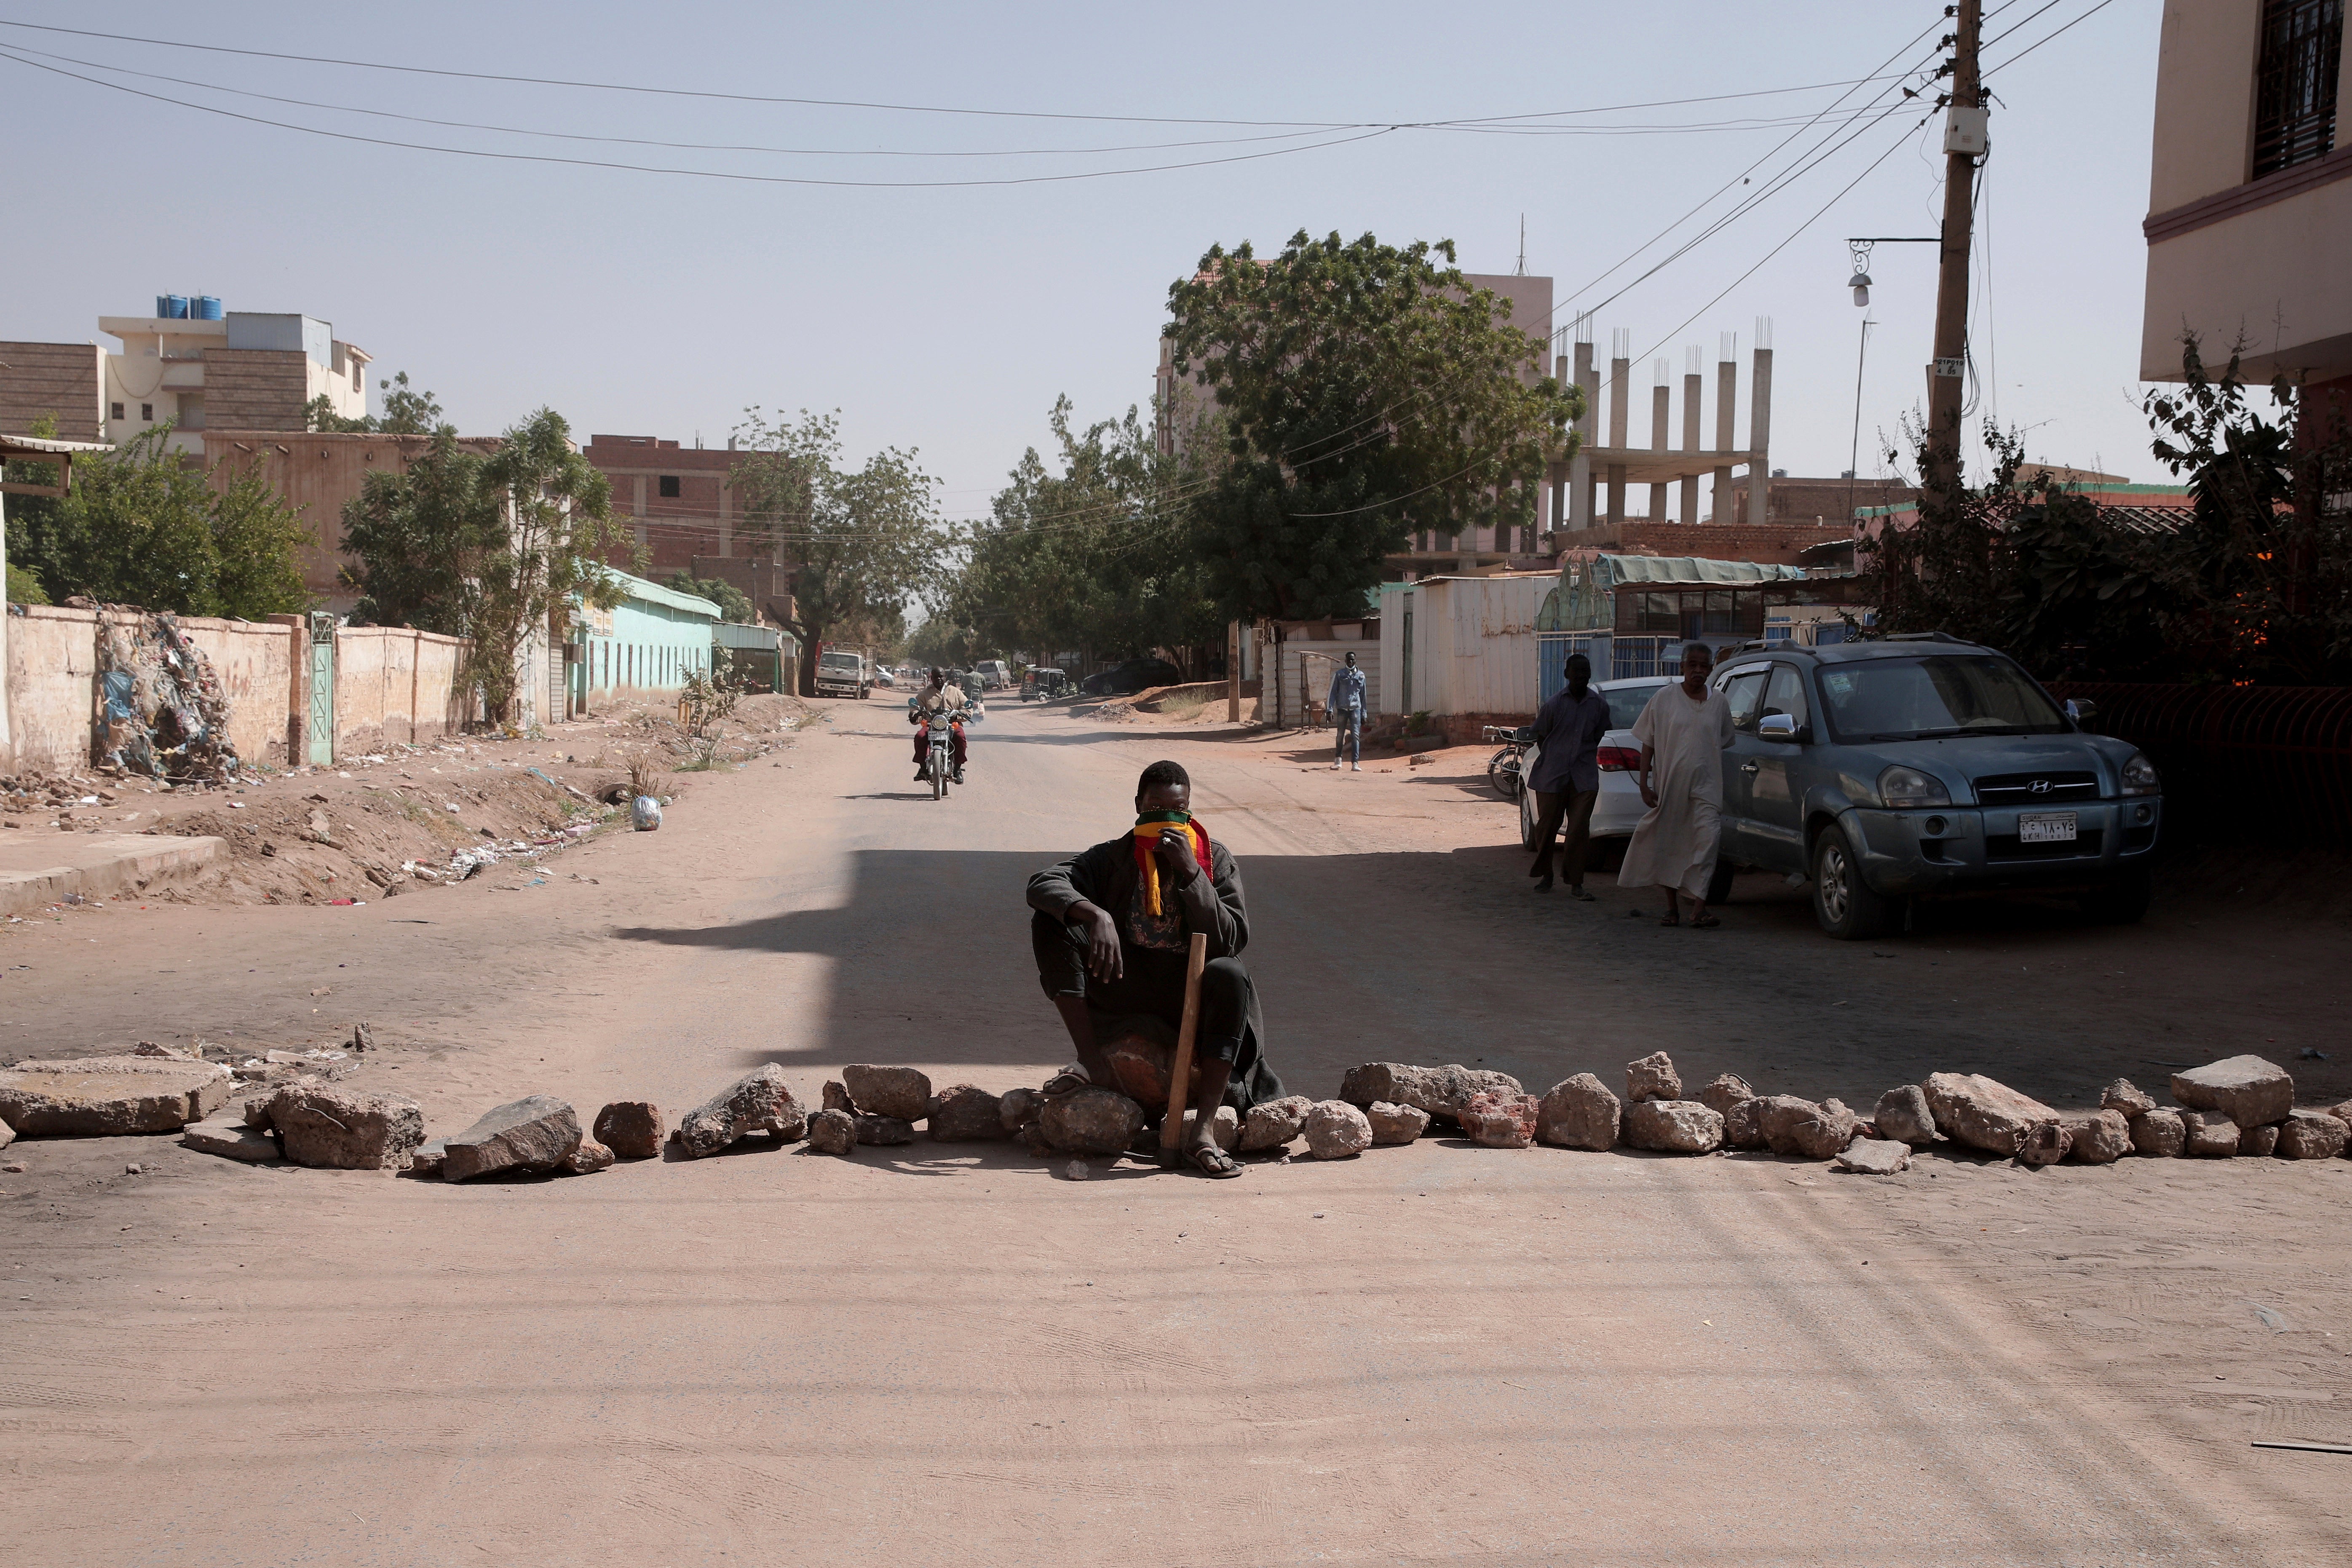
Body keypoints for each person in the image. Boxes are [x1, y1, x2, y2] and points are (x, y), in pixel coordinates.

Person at [1027, 760, 1284, 1177]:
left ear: (1188, 810)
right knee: (1052, 922)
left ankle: (1202, 1132)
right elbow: (1042, 883)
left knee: (1231, 973)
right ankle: (1092, 1061)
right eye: (1154, 809)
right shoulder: (1113, 858)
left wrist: (1191, 873)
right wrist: (1096, 915)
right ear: (1137, 807)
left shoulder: (1213, 858)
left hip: (1189, 993)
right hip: (1127, 989)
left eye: (1176, 810)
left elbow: (1232, 936)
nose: (1165, 820)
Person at [1618, 642, 1734, 928]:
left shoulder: (1718, 703)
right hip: (1670, 786)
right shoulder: (1664, 699)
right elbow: (1648, 743)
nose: (1697, 671)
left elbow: (1724, 740)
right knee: (1670, 844)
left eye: (1703, 666)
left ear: (1709, 670)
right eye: (1692, 665)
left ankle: (1699, 908)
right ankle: (1671, 909)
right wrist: (1645, 785)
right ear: (1682, 667)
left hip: (1707, 788)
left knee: (1708, 841)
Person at [1523, 652, 1613, 898]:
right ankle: (1546, 875)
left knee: (1579, 830)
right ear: (1567, 675)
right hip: (1552, 775)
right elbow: (1541, 736)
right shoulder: (1553, 705)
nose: (1581, 677)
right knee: (1547, 827)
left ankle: (1576, 883)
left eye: (1585, 672)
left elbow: (1599, 735)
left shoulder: (1598, 705)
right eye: (1577, 673)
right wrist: (1557, 757)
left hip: (1584, 777)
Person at [908, 666, 970, 783]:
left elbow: (966, 706)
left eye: (941, 676)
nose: (939, 679)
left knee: (960, 738)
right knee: (920, 737)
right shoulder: (924, 694)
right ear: (931, 678)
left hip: (952, 725)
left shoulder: (955, 692)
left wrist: (961, 714)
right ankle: (922, 769)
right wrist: (915, 714)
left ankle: (957, 770)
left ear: (945, 677)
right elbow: (915, 708)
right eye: (936, 677)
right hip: (931, 725)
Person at [1327, 651, 1368, 771]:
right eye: (1349, 660)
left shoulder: (1361, 676)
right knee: (1340, 735)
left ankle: (1355, 763)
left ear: (1355, 661)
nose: (1351, 662)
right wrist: (1329, 710)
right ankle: (1338, 760)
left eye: (1353, 660)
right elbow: (1332, 692)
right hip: (1343, 709)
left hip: (1356, 709)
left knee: (1356, 735)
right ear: (1345, 661)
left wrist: (1364, 714)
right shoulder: (1339, 675)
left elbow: (1363, 696)